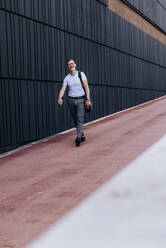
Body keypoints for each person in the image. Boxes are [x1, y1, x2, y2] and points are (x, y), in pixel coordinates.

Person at [58, 59, 92, 146]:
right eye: (69, 64)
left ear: (75, 65)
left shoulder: (81, 74)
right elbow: (63, 89)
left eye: (72, 63)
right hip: (71, 100)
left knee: (79, 117)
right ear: (67, 67)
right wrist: (60, 97)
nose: (71, 65)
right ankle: (81, 134)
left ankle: (78, 138)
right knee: (75, 119)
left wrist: (87, 98)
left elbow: (86, 87)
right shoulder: (67, 78)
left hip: (81, 99)